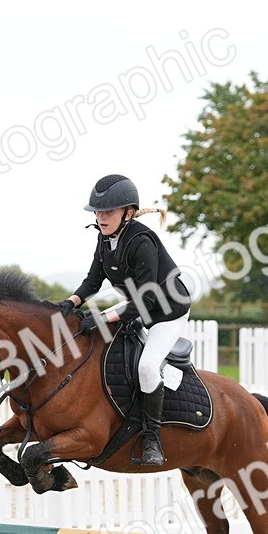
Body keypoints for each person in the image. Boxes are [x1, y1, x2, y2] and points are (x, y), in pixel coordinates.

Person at [57, 174, 192, 467]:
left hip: (167, 313)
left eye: (108, 212)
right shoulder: (105, 239)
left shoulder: (142, 242)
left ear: (128, 213)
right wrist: (69, 304)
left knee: (146, 366)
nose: (101, 217)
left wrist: (103, 317)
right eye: (98, 212)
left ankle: (152, 437)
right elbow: (93, 282)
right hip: (137, 306)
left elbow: (145, 302)